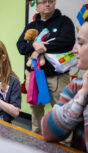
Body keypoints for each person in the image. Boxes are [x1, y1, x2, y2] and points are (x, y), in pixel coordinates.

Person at [16, 0, 75, 134]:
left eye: (50, 1)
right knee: (36, 110)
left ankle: (66, 147)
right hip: (34, 75)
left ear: (54, 3)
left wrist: (41, 48)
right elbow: (20, 46)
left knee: (62, 111)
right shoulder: (32, 25)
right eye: (43, 2)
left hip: (57, 77)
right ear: (37, 6)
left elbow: (67, 42)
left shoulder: (64, 22)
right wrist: (33, 46)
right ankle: (37, 139)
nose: (47, 4)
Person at [41, 17, 88, 152]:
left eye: (81, 43)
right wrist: (83, 94)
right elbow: (48, 131)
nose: (74, 50)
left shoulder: (64, 22)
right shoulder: (76, 86)